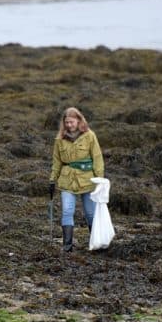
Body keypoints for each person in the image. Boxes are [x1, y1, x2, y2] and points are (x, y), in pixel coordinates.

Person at [49, 107, 105, 252]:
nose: (69, 125)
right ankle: (67, 246)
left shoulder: (89, 135)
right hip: (67, 181)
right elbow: (56, 161)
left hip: (87, 180)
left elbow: (97, 158)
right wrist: (52, 179)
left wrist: (100, 179)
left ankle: (96, 243)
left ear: (79, 120)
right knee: (67, 211)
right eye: (66, 122)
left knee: (90, 213)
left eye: (71, 122)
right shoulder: (59, 139)